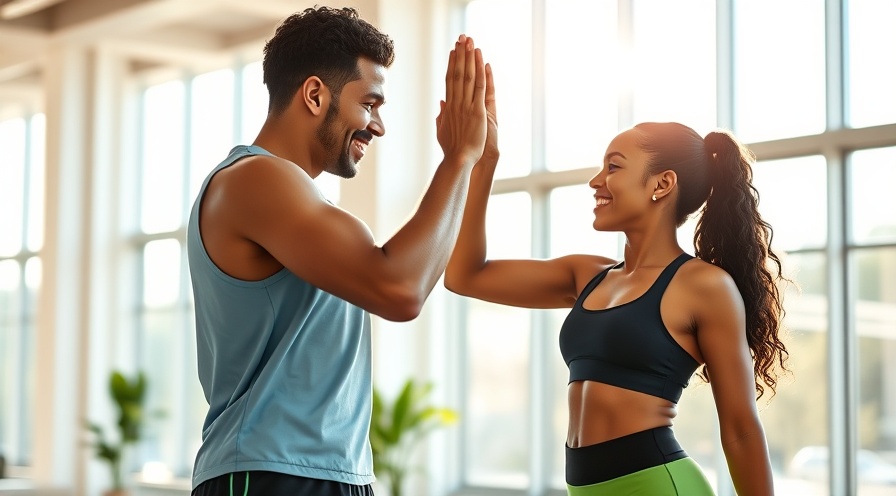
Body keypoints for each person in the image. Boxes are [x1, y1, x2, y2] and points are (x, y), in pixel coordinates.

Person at [187, 6, 492, 496]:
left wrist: (472, 160)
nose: (378, 126)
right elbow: (400, 288)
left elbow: (409, 279)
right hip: (270, 473)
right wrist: (460, 157)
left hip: (329, 471)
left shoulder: (295, 200)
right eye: (370, 104)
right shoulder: (254, 180)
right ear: (314, 94)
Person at [445, 120, 789, 495]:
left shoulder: (705, 286)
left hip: (657, 485)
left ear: (662, 184)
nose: (596, 181)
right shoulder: (586, 275)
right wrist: (484, 160)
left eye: (613, 166)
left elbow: (740, 429)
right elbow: (464, 276)